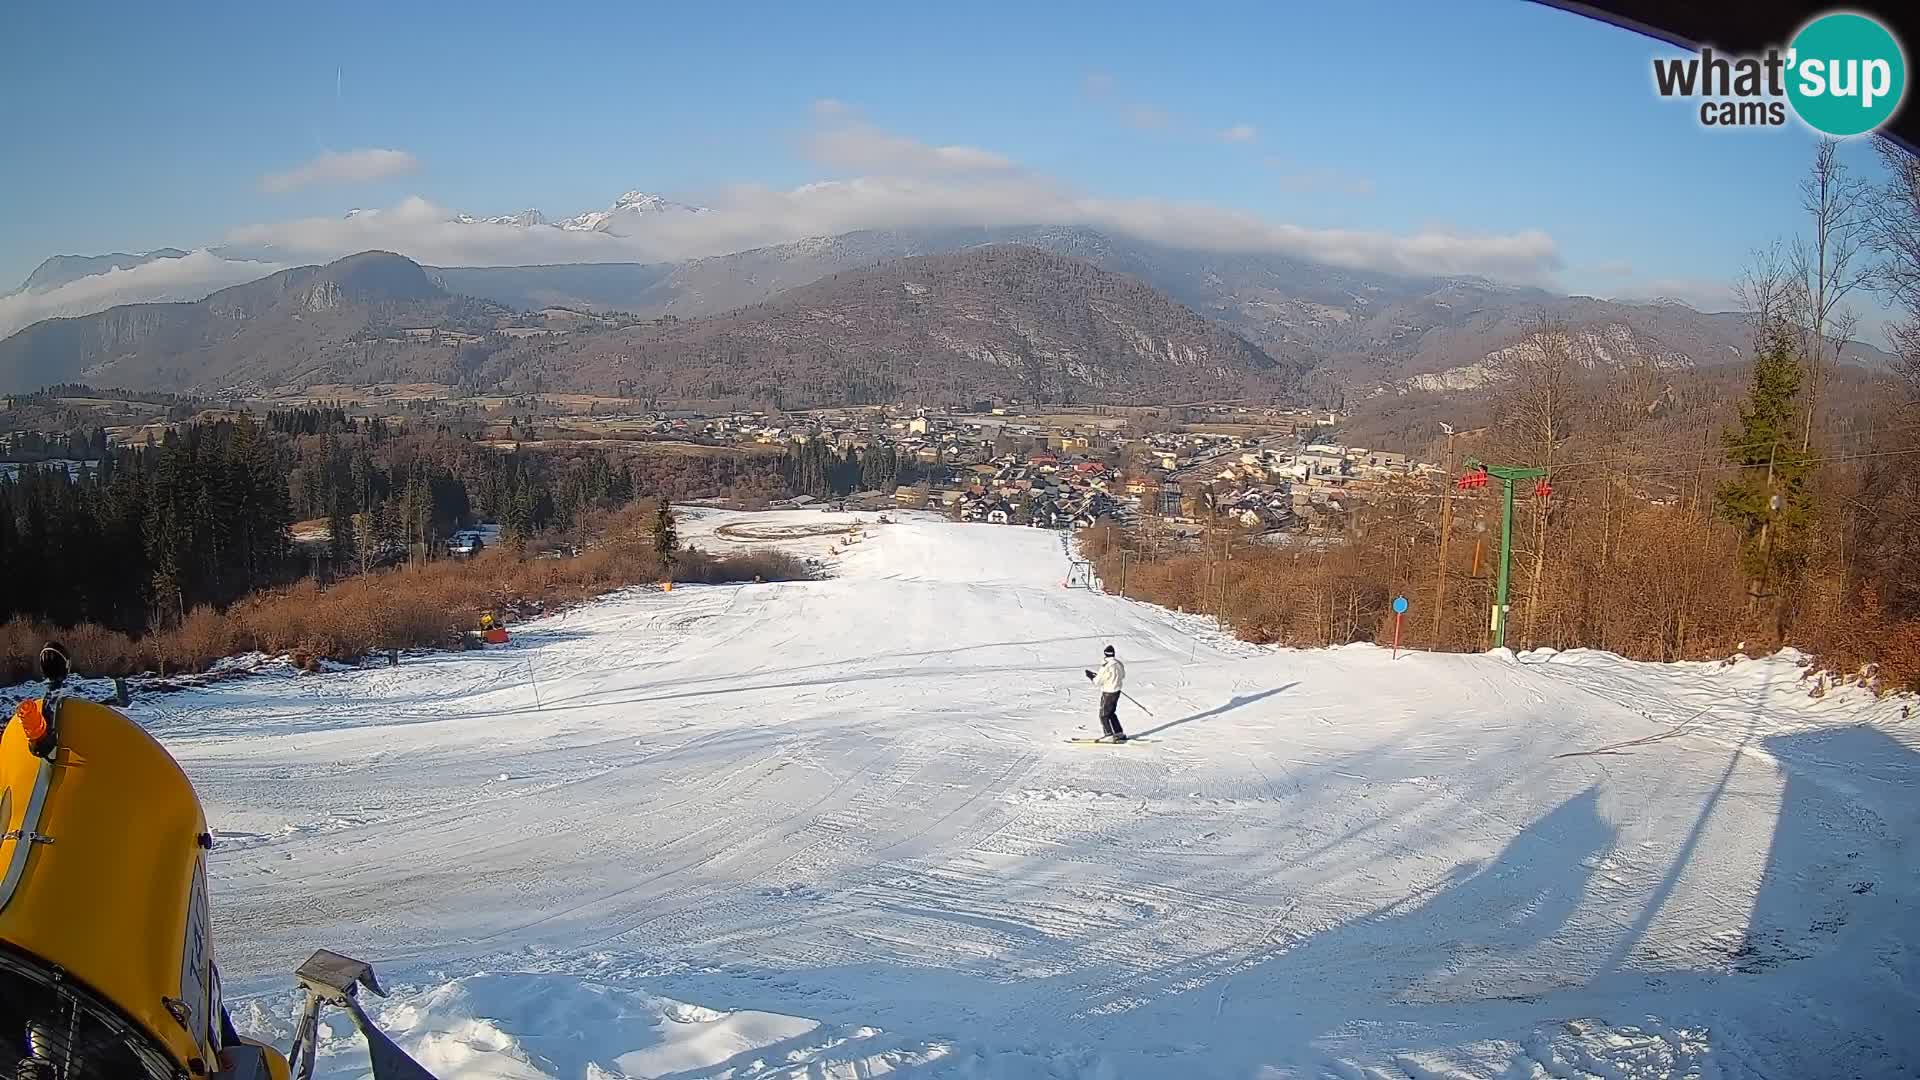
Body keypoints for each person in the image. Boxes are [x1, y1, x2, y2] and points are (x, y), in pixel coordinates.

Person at [1083, 645, 1128, 742]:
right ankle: (1119, 732)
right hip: (1116, 691)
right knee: (1111, 713)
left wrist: (1091, 676)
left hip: (1108, 692)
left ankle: (1108, 735)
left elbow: (1097, 682)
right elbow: (1122, 676)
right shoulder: (1119, 663)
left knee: (1103, 715)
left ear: (1105, 654)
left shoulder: (1105, 666)